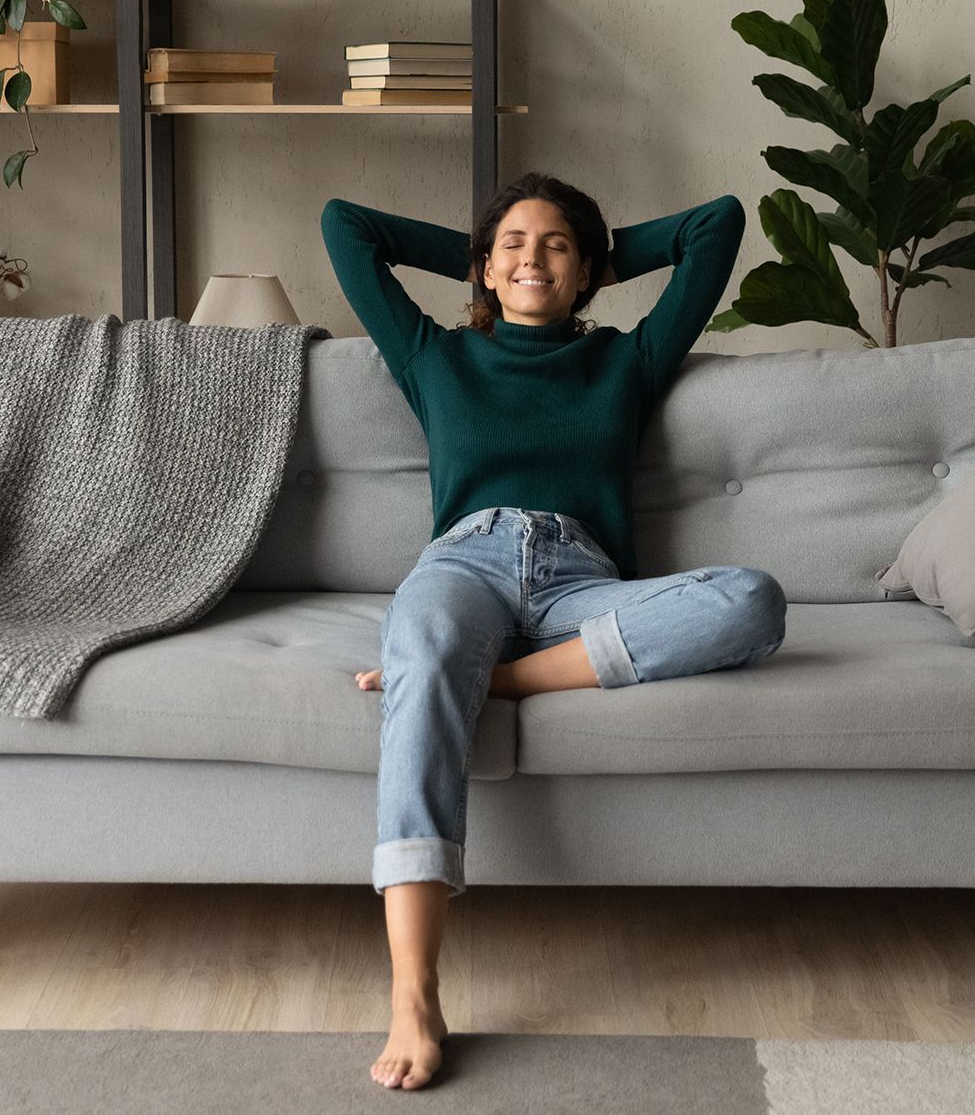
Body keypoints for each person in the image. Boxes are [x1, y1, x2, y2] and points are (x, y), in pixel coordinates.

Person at [318, 173, 789, 1091]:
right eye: (513, 247)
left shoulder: (629, 357)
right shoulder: (433, 354)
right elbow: (348, 223)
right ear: (484, 271)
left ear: (587, 276)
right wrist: (488, 239)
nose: (533, 257)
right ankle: (414, 992)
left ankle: (489, 680)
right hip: (464, 564)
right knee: (423, 643)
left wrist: (599, 251)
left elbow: (717, 225)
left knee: (753, 600)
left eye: (558, 246)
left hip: (585, 582)